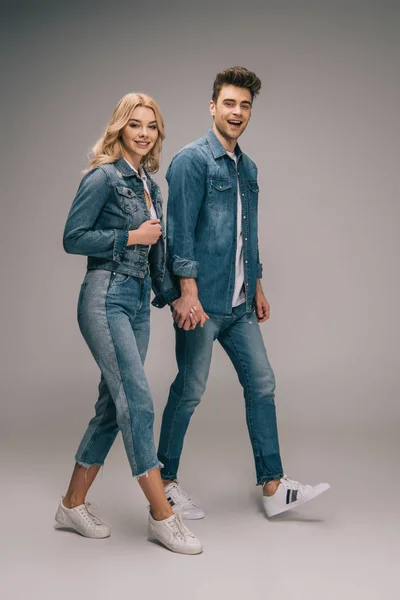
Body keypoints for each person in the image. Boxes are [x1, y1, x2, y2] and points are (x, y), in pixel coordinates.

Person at [153, 67, 330, 519]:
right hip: (202, 303)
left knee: (262, 383)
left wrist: (258, 287)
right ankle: (164, 481)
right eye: (229, 103)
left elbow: (244, 236)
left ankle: (273, 488)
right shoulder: (191, 161)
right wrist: (186, 293)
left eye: (245, 105)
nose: (237, 112)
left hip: (240, 304)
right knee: (190, 390)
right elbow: (179, 233)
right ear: (213, 106)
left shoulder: (247, 167)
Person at [56, 93, 202, 554]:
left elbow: (157, 253)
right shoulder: (103, 177)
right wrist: (129, 236)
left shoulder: (148, 184)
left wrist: (175, 296)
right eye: (135, 124)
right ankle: (163, 514)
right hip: (105, 297)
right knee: (136, 400)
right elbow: (72, 238)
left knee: (112, 403)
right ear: (119, 128)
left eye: (151, 126)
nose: (143, 133)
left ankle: (72, 503)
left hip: (138, 299)